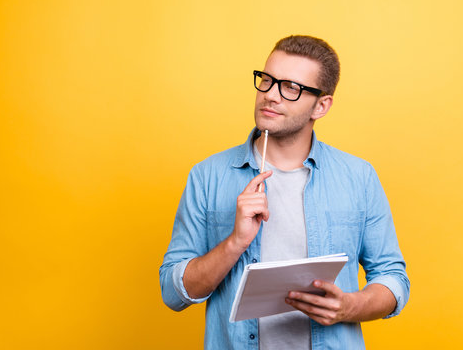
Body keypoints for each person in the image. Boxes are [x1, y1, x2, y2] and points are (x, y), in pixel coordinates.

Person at [160, 35, 410, 350]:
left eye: (291, 87)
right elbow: (173, 293)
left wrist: (351, 306)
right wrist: (235, 243)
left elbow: (392, 277)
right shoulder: (207, 176)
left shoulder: (358, 177)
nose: (270, 96)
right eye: (266, 80)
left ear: (321, 105)